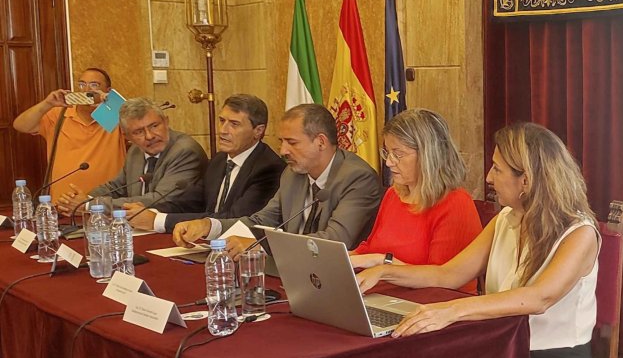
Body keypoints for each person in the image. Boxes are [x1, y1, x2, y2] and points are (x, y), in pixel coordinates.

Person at [355, 122, 599, 358]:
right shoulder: (505, 219)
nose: (488, 177)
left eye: (497, 169)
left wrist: (454, 310)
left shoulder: (580, 232)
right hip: (497, 348)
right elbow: (450, 273)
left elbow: (539, 297)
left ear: (526, 180)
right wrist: (386, 269)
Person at [172, 103, 382, 259]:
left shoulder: (357, 178)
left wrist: (261, 245)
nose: (283, 151)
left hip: (341, 279)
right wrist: (209, 226)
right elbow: (261, 221)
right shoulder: (293, 174)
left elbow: (336, 240)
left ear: (320, 142)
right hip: (293, 270)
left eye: (292, 142)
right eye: (281, 142)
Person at [349, 109, 481, 292]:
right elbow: (368, 249)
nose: (388, 162)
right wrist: (334, 258)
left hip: (429, 307)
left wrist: (383, 263)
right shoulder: (393, 195)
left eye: (398, 154)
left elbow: (443, 281)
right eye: (387, 153)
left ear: (428, 156)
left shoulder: (456, 203)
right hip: (381, 298)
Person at [125, 94, 285, 233]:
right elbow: (192, 201)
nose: (223, 130)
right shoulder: (220, 160)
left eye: (234, 124)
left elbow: (233, 218)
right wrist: (150, 211)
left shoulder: (269, 168)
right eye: (222, 121)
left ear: (258, 131)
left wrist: (159, 220)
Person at [62, 98, 207, 214]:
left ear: (166, 122)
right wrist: (82, 199)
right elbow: (117, 187)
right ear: (127, 137)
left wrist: (90, 205)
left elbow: (160, 200)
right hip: (142, 229)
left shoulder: (184, 151)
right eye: (139, 132)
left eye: (154, 126)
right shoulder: (136, 151)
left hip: (178, 230)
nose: (149, 136)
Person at [12, 68, 126, 202]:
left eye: (94, 85)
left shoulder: (116, 115)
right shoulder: (59, 114)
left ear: (107, 90)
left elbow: (141, 121)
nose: (86, 90)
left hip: (107, 203)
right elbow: (20, 125)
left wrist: (111, 103)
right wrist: (47, 104)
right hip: (63, 203)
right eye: (82, 84)